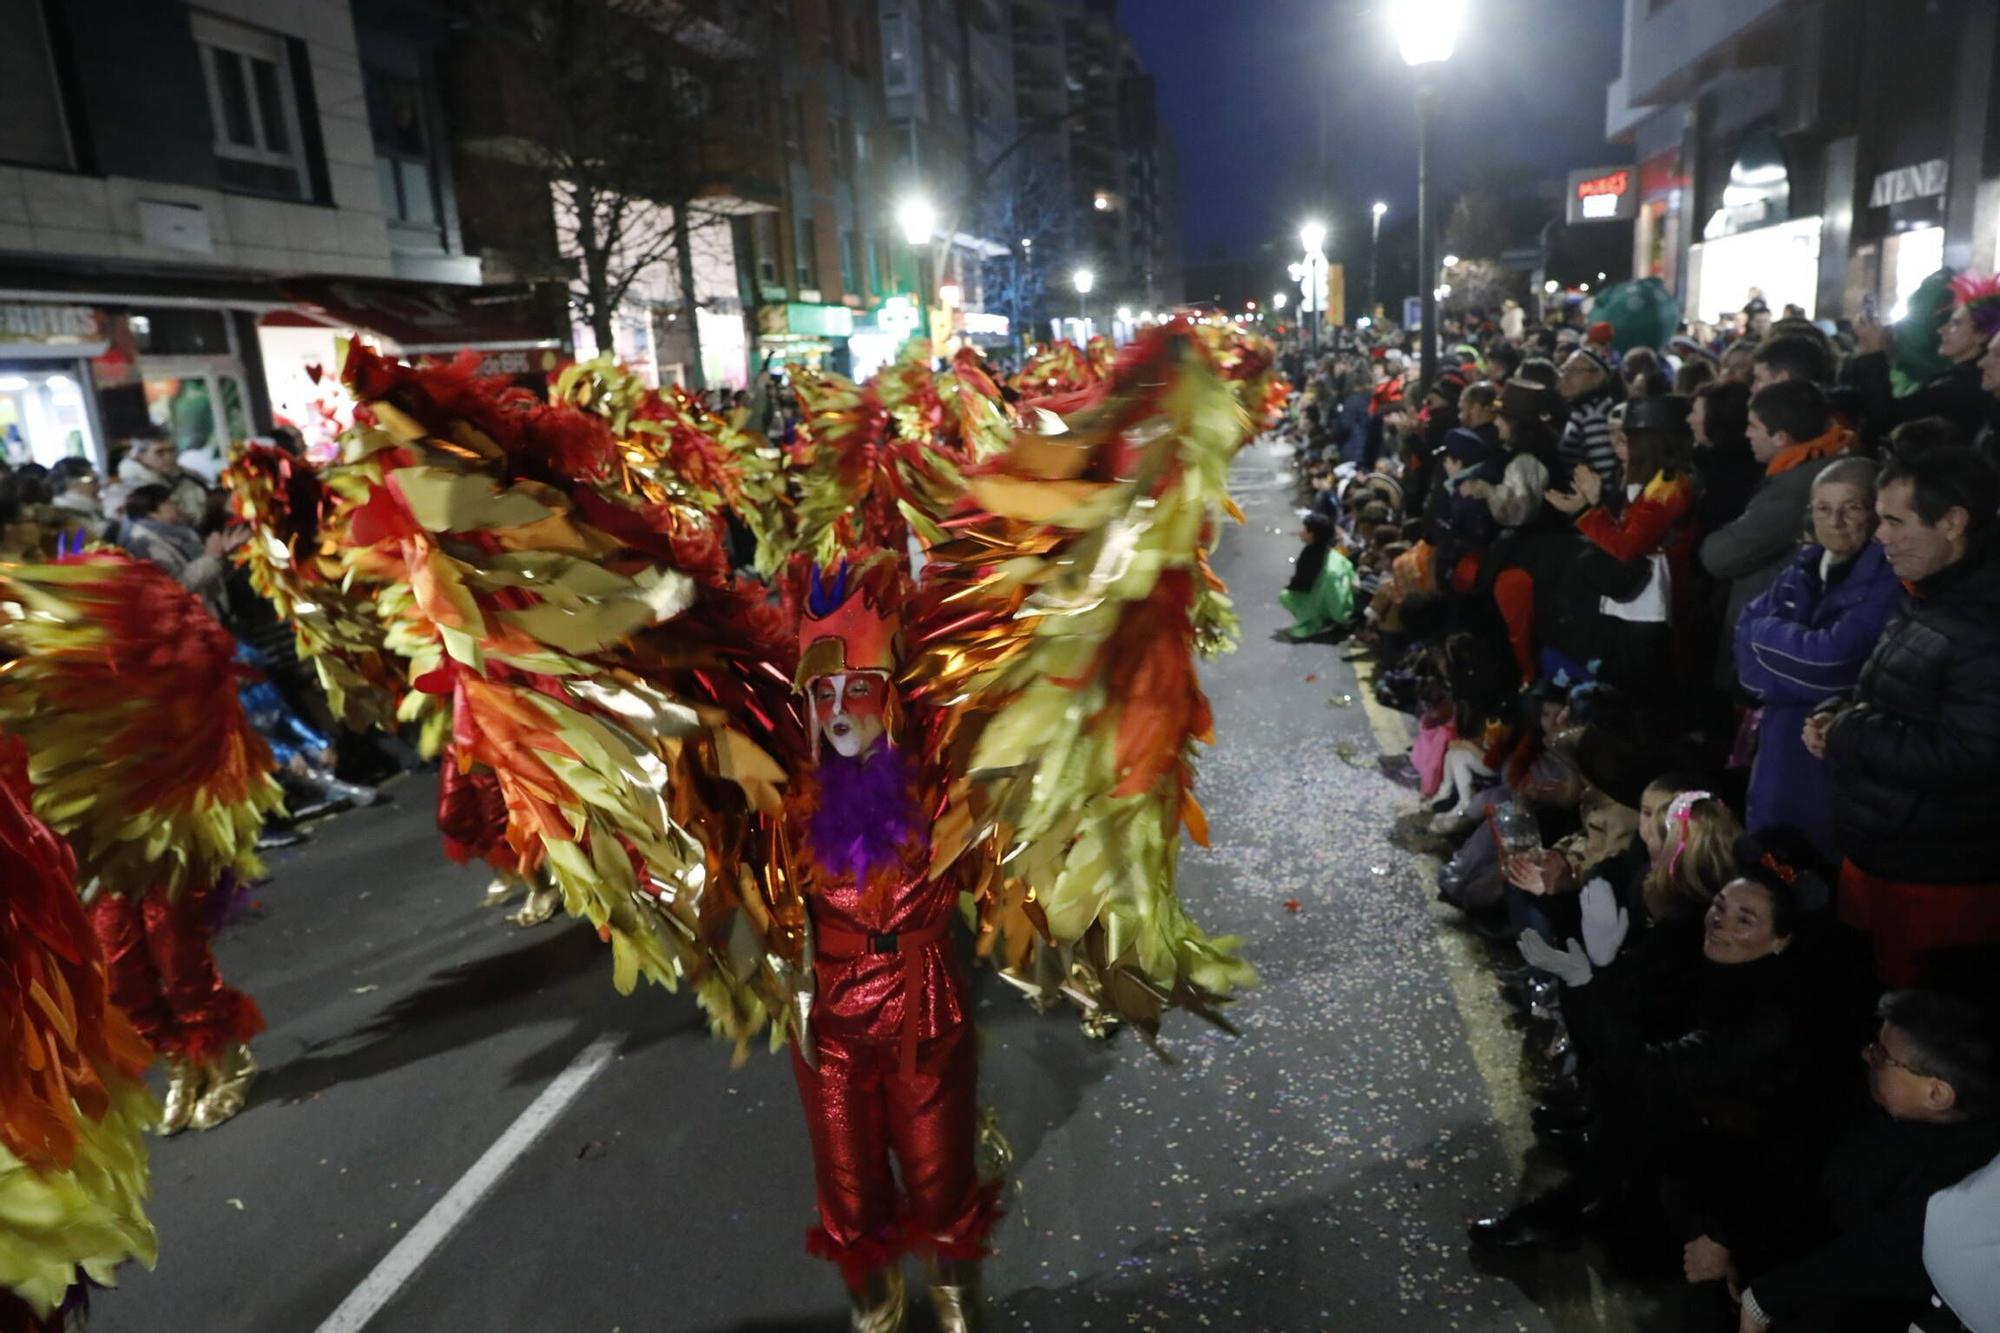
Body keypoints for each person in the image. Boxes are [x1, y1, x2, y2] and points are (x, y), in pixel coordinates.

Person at [1811, 444, 2000, 988]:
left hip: (1938, 880)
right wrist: (1838, 710)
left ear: (1953, 522)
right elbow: (1893, 688)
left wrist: (1847, 731)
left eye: (1894, 520)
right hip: (1887, 856)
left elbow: (1971, 754)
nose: (1878, 535)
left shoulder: (1982, 622)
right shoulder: (1929, 591)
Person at [1732, 991, 2000, 1333]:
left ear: (1936, 1094)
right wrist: (1725, 1232)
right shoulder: (1880, 1097)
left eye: (1882, 1055)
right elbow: (1796, 1152)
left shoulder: (1961, 1180)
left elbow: (1873, 1257)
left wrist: (1765, 1298)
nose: (1866, 1054)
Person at [1731, 457, 1901, 859]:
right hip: (1777, 763)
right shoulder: (1801, 570)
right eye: (1824, 508)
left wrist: (1762, 637)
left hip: (1834, 773)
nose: (1836, 521)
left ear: (1876, 513)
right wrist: (1792, 657)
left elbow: (1830, 665)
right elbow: (1746, 667)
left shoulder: (1890, 579)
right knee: (1770, 879)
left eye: (1852, 508)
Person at [1700, 380, 1852, 691]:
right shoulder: (1822, 463)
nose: (1747, 434)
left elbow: (1721, 555)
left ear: (1781, 438)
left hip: (1773, 637)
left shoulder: (1797, 487)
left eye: (1754, 426)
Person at [1549, 393, 1699, 700]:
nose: (1619, 443)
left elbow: (1626, 545)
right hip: (1634, 600)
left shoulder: (1668, 488)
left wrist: (1584, 512)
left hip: (1650, 604)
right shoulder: (1649, 482)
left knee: (1642, 693)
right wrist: (1593, 504)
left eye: (1627, 436)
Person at [1846, 274, 2000, 445]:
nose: (1942, 330)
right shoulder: (1959, 377)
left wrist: (1873, 353)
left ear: (1981, 335)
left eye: (1956, 323)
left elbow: (1887, 419)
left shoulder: (1964, 385)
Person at [117, 483, 244, 617]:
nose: (176, 506)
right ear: (152, 512)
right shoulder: (143, 544)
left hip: (212, 609)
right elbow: (176, 586)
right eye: (169, 503)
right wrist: (211, 557)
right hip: (193, 620)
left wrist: (224, 554)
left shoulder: (176, 531)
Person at [1279, 511, 1353, 640]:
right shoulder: (1331, 553)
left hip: (1329, 606)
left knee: (1285, 595)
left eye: (1304, 530)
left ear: (1312, 535)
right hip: (1334, 603)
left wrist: (1339, 617)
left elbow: (1333, 595)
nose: (1301, 532)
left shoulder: (1318, 562)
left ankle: (1318, 620)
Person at [110, 428, 210, 522]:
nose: (169, 457)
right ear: (141, 456)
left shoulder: (189, 478)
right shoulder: (128, 491)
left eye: (171, 450)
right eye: (160, 452)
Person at [1557, 342, 1623, 482]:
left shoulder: (1594, 415)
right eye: (1564, 369)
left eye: (1574, 371)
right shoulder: (1582, 408)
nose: (1565, 377)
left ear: (1597, 377)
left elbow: (1606, 475)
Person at [47, 455, 109, 539]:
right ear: (71, 484)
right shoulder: (61, 516)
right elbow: (80, 546)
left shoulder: (88, 509)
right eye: (94, 480)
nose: (99, 485)